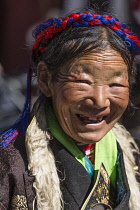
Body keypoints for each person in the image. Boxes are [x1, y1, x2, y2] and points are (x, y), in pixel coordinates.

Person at [0, 11, 140, 210]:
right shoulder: (10, 163)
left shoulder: (131, 154)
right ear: (45, 80)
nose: (100, 101)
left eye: (115, 84)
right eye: (83, 81)